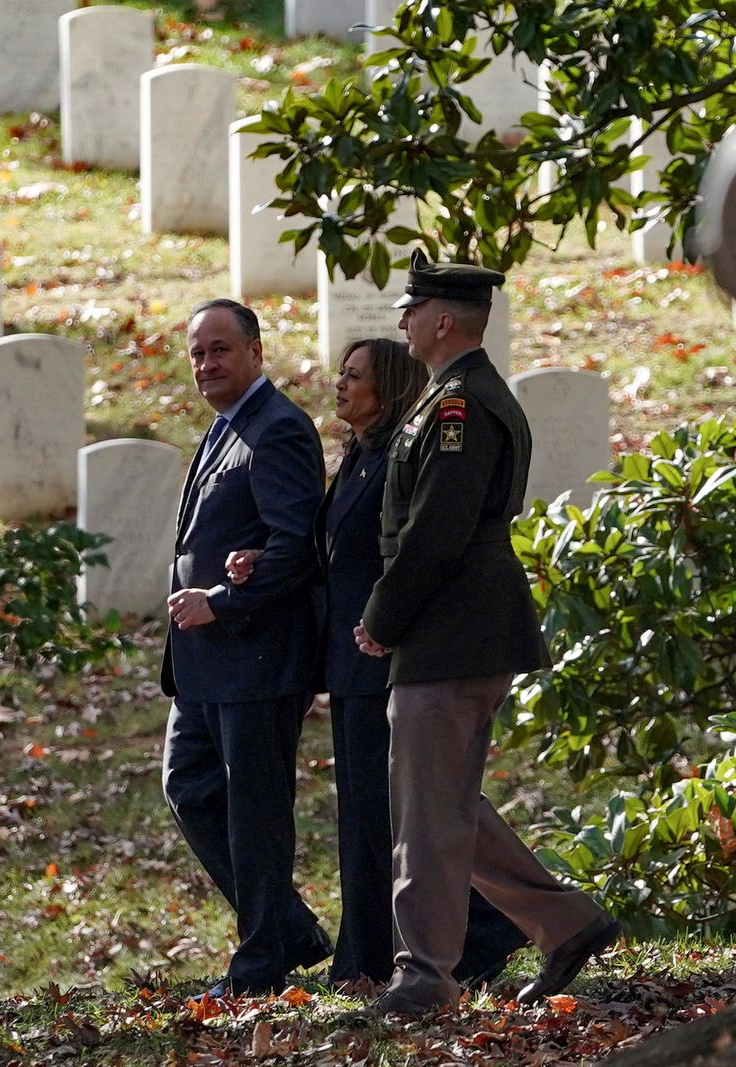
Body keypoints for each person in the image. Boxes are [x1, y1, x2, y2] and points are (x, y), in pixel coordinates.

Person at [351, 251, 621, 1017]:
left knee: (425, 814)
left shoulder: (462, 405)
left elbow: (437, 530)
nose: (401, 320)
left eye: (411, 308)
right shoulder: (450, 396)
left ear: (442, 320)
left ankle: (426, 974)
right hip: (453, 631)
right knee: (442, 804)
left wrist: (382, 617)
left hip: (450, 633)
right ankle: (566, 921)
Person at [227, 338, 529, 988]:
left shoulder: (399, 457)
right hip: (347, 657)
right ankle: (367, 955)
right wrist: (262, 562)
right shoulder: (360, 456)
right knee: (367, 816)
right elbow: (337, 550)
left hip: (385, 654)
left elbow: (413, 555)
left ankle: (485, 931)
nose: (339, 384)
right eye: (340, 373)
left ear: (387, 388)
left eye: (354, 375)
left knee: (396, 813)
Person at [160, 298, 332, 998]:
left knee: (256, 814)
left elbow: (295, 548)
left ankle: (261, 964)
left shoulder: (280, 428)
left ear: (257, 352)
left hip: (256, 657)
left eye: (220, 349)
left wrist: (221, 601)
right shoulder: (224, 428)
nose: (207, 364)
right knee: (190, 786)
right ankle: (288, 930)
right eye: (198, 352)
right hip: (208, 665)